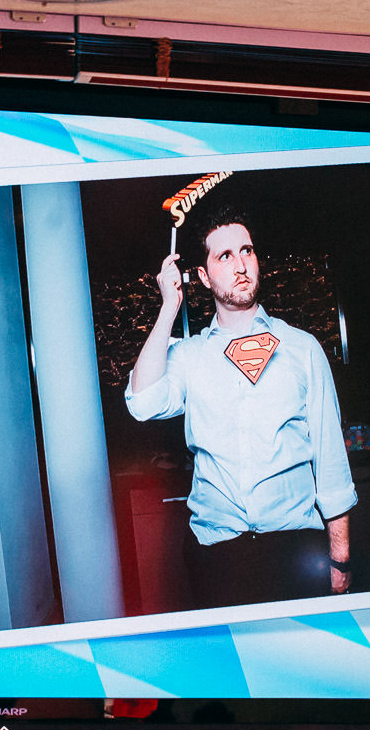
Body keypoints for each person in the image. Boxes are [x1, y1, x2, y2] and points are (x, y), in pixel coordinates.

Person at [125, 201, 356, 610]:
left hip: (294, 547)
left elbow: (331, 458)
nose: (241, 265)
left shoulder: (301, 348)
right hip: (218, 555)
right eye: (225, 256)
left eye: (246, 251)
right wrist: (168, 308)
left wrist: (340, 557)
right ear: (203, 276)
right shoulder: (190, 356)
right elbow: (142, 403)